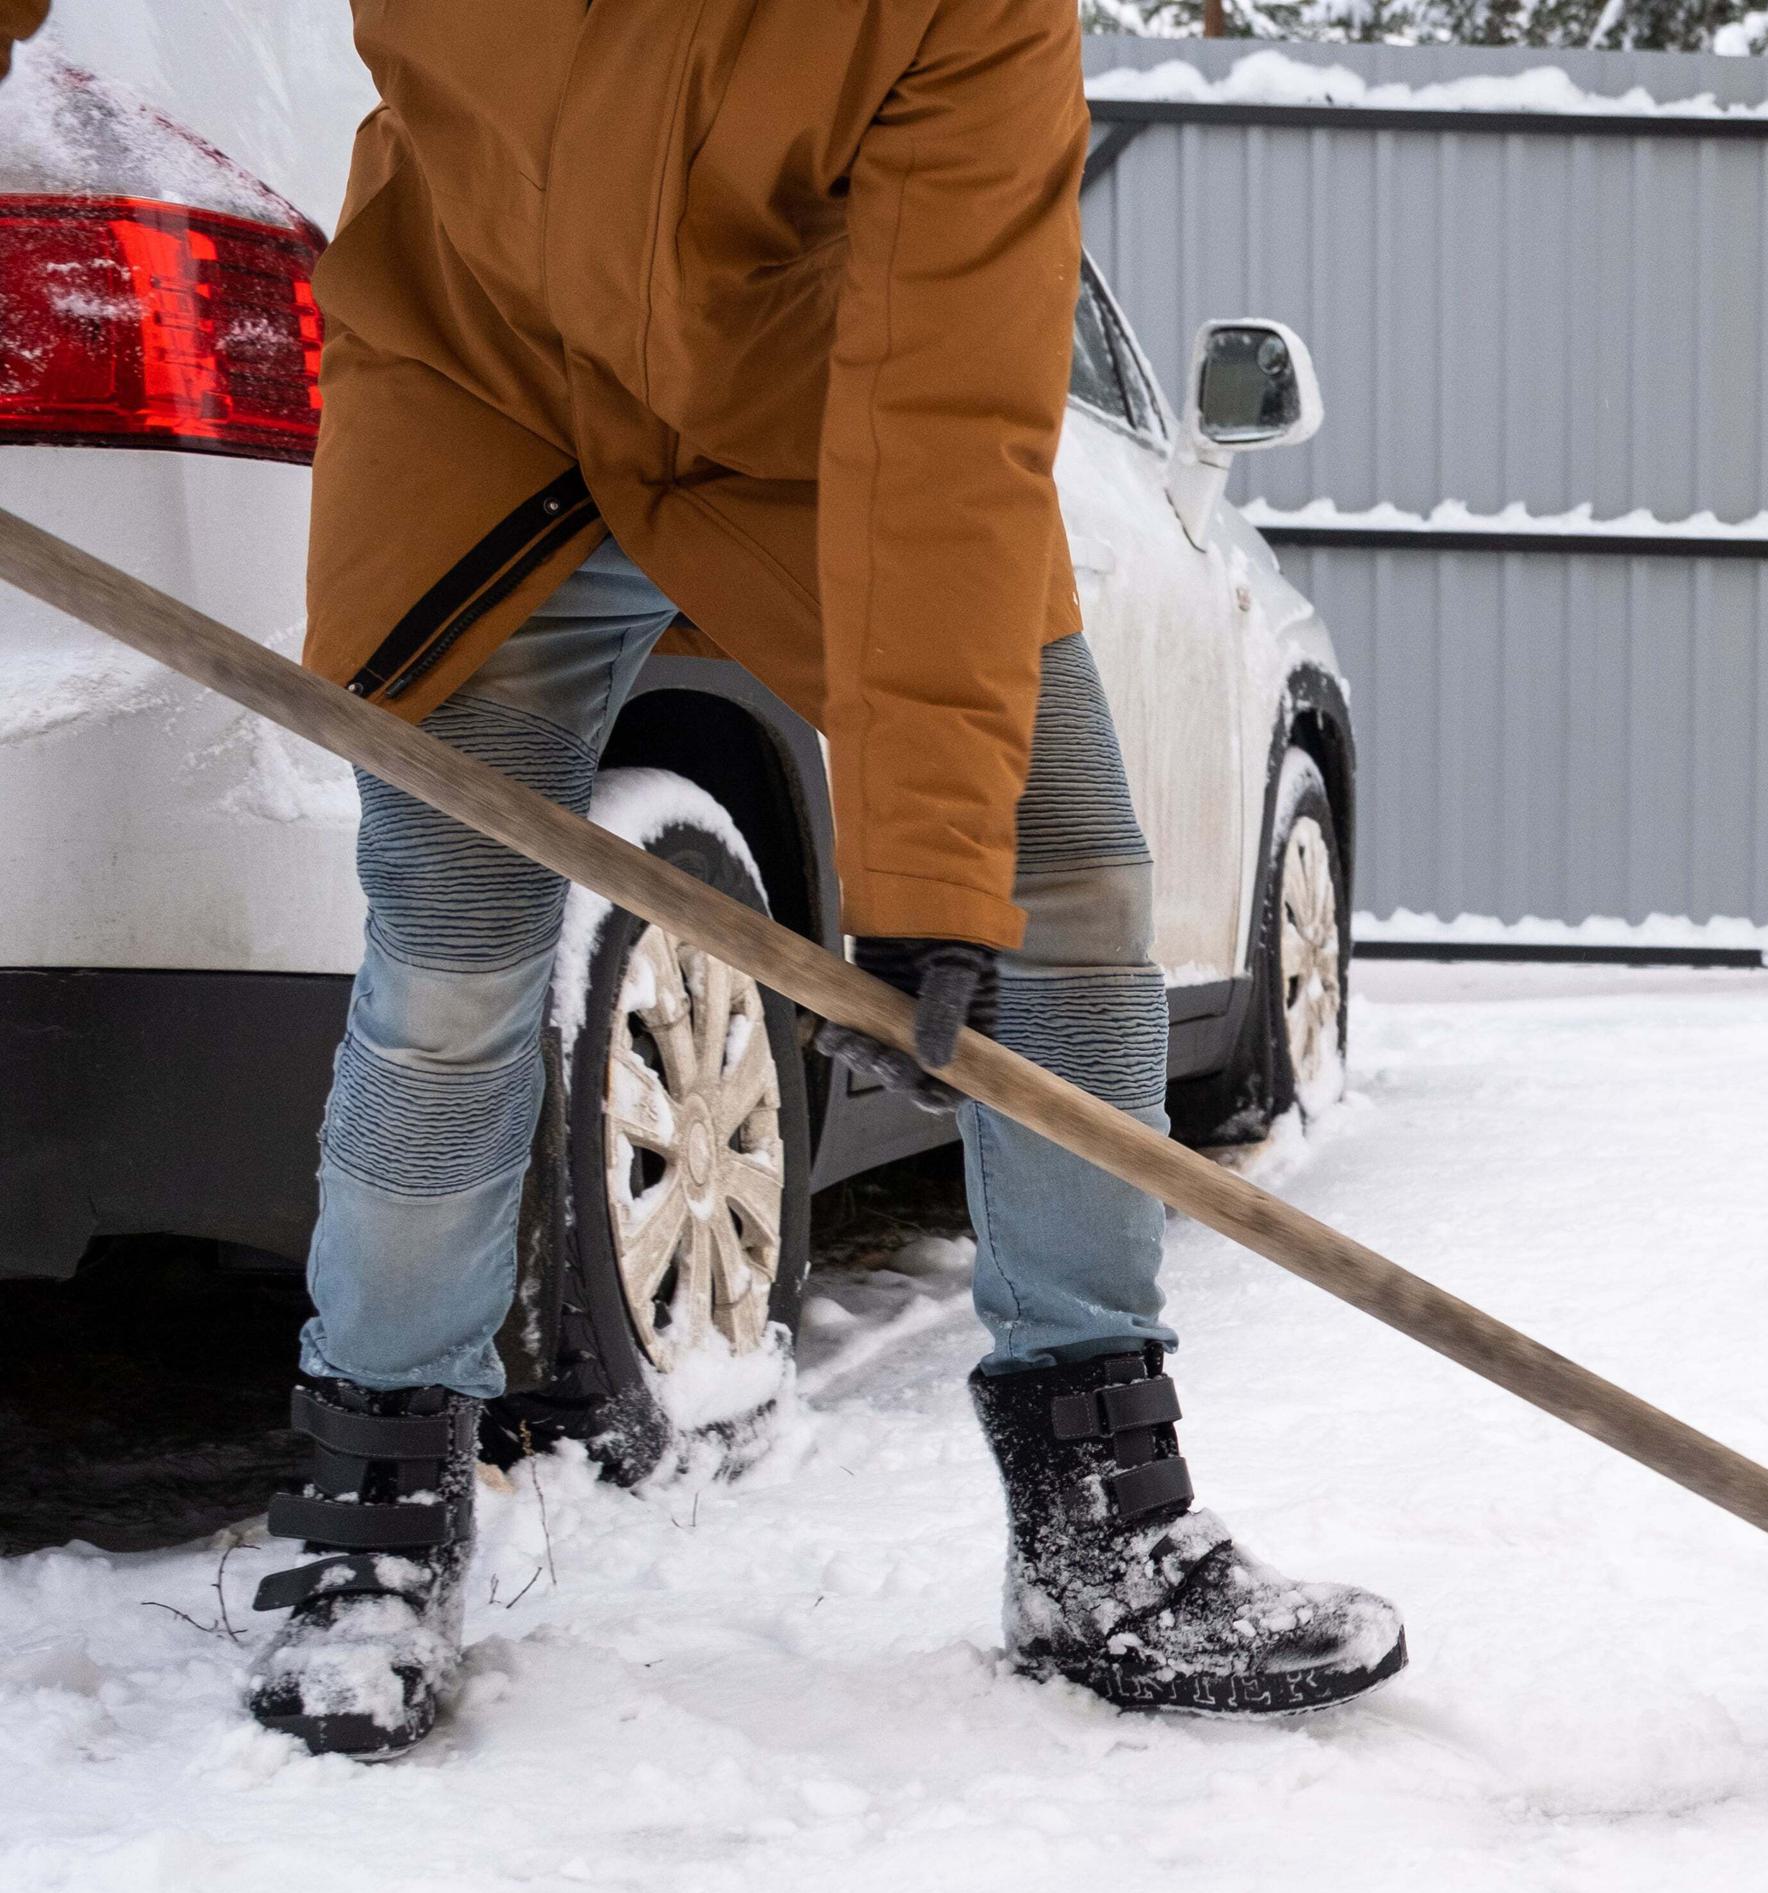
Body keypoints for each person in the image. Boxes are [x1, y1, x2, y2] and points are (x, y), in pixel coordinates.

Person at [10, 0, 1406, 1753]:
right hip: (480, 385)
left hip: (806, 426)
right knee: (450, 957)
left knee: (1060, 894)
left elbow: (948, 406)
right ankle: (378, 1520)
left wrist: (929, 867)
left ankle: (1096, 1521)